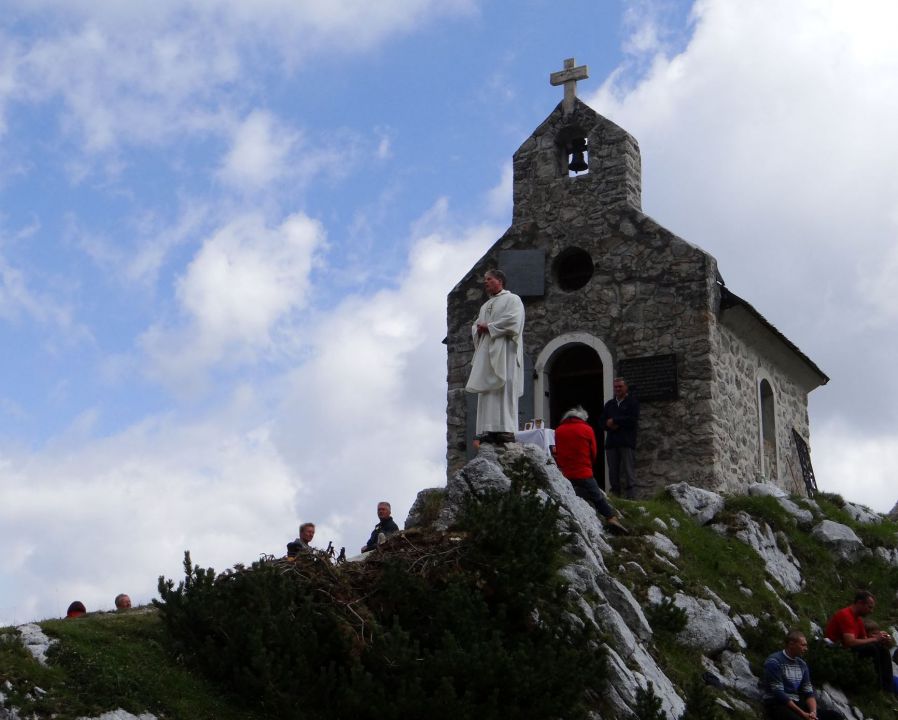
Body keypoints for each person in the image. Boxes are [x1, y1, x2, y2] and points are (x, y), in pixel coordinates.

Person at [465, 269, 525, 445]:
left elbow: (514, 321)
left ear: (499, 280)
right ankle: (488, 429)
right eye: (485, 280)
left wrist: (490, 327)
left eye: (488, 279)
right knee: (488, 391)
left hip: (505, 351)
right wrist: (479, 328)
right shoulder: (485, 306)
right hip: (488, 353)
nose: (485, 282)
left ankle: (506, 429)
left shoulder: (513, 299)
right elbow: (476, 326)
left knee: (504, 388)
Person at [553, 406, 628, 535]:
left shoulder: (559, 430)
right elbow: (593, 452)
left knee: (574, 492)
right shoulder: (587, 429)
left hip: (566, 474)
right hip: (584, 472)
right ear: (582, 418)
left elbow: (557, 452)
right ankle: (611, 518)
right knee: (598, 497)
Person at [761, 630, 844, 719]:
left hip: (797, 703)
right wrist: (802, 714)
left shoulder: (802, 664)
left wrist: (813, 713)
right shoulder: (774, 661)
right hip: (778, 704)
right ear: (791, 644)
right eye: (803, 645)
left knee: (835, 716)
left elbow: (808, 692)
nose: (806, 649)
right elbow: (779, 694)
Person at [825, 590, 896, 691]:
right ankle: (876, 686)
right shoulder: (846, 615)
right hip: (837, 650)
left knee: (882, 649)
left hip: (847, 649)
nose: (871, 611)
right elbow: (850, 642)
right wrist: (875, 639)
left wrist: (881, 640)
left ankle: (887, 688)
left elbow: (865, 639)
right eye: (869, 607)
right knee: (871, 649)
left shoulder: (858, 620)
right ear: (859, 603)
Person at [599, 377, 640, 498]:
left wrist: (616, 421)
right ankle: (615, 498)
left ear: (625, 387)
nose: (617, 389)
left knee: (629, 471)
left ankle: (632, 498)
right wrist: (609, 425)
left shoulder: (632, 403)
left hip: (626, 442)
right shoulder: (609, 405)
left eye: (620, 386)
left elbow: (632, 420)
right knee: (613, 472)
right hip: (611, 443)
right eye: (616, 387)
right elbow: (601, 422)